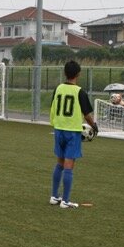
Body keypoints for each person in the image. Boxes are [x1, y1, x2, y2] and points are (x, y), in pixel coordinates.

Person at [49, 60, 97, 209]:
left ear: (65, 73)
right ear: (78, 74)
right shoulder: (79, 91)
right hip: (72, 131)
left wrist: (55, 123)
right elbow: (87, 114)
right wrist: (94, 126)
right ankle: (66, 200)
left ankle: (54, 196)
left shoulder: (58, 88)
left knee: (60, 163)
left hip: (58, 129)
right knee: (69, 165)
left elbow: (53, 107)